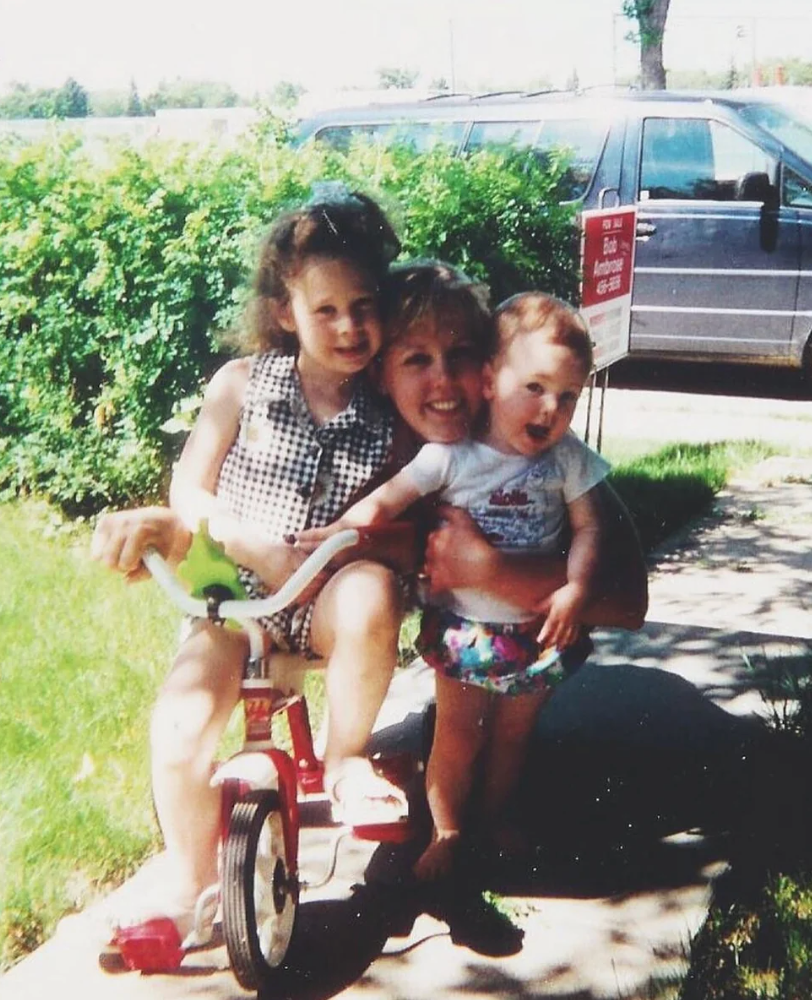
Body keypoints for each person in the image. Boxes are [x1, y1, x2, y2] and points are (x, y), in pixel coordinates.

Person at [92, 190, 412, 949]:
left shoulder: (392, 405)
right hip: (232, 595)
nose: (348, 326)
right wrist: (254, 548)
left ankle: (344, 761)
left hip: (328, 592)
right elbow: (190, 491)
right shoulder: (242, 384)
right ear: (284, 311)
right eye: (326, 308)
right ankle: (192, 883)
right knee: (180, 724)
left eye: (364, 306)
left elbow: (407, 519)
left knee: (370, 592)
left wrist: (359, 548)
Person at [320, 288, 609, 878]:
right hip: (467, 628)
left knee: (511, 737)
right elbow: (386, 500)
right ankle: (447, 830)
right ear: (488, 380)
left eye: (567, 396)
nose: (549, 408)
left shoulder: (569, 460)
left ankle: (494, 816)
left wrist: (576, 588)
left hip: (536, 630)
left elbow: (589, 529)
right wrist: (335, 534)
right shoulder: (452, 455)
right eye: (534, 387)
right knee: (458, 735)